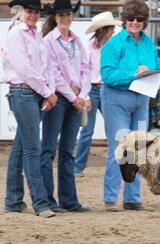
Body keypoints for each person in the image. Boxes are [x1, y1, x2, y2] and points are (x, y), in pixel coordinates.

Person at [100, 0, 160, 212]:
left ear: (145, 21)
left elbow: (158, 68)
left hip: (142, 98)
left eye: (140, 19)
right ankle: (110, 198)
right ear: (124, 20)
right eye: (131, 18)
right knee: (119, 148)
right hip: (116, 98)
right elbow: (107, 75)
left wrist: (151, 72)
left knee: (140, 149)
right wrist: (134, 74)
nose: (135, 22)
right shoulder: (113, 44)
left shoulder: (149, 44)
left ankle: (132, 198)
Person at [2, 0, 57, 218]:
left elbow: (45, 66)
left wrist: (47, 91)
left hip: (31, 93)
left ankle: (13, 200)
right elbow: (24, 69)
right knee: (33, 149)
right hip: (23, 92)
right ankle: (41, 203)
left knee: (21, 148)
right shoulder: (16, 34)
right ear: (22, 12)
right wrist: (47, 92)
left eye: (36, 12)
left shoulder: (36, 36)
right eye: (30, 11)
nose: (33, 15)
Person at [40, 0, 92, 212]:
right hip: (60, 97)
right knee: (49, 149)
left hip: (75, 98)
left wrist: (83, 94)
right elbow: (53, 73)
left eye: (68, 14)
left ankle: (69, 201)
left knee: (67, 151)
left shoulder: (77, 41)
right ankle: (49, 201)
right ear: (54, 17)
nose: (64, 18)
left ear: (72, 16)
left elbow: (86, 69)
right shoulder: (48, 41)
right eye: (60, 15)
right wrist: (74, 98)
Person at [73, 12, 123, 178]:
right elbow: (84, 73)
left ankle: (115, 166)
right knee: (87, 131)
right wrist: (85, 96)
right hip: (93, 90)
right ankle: (77, 168)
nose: (112, 32)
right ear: (104, 30)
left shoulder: (112, 47)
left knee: (114, 130)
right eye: (110, 29)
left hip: (108, 89)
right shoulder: (88, 47)